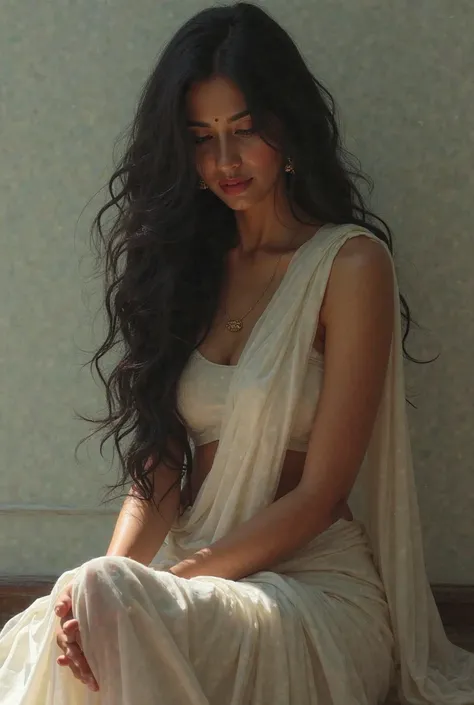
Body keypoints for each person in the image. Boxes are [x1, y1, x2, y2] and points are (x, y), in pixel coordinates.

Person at [1, 2, 473, 703]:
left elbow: (321, 493)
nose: (224, 160)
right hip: (184, 584)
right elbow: (159, 466)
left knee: (109, 601)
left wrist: (161, 587)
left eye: (245, 129)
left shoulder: (349, 266)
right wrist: (101, 596)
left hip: (311, 591)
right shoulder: (189, 268)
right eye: (201, 137)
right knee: (69, 607)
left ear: (289, 126)